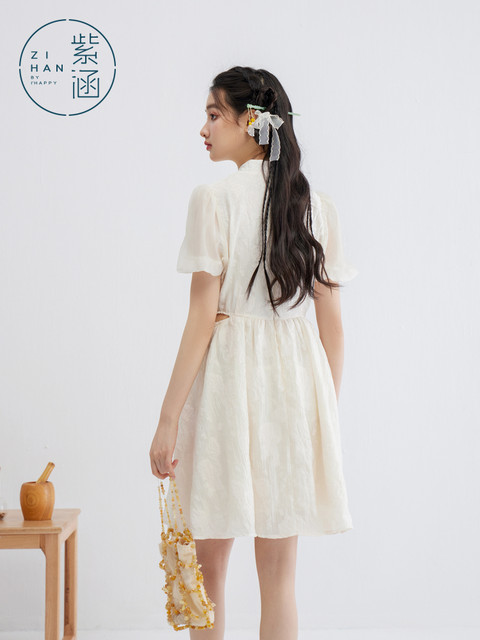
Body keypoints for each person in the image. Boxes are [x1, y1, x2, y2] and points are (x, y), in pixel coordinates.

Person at [149, 66, 359, 640]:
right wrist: (325, 412)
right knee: (279, 575)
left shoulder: (214, 200)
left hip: (227, 386)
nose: (204, 129)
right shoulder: (317, 207)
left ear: (251, 122)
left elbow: (201, 320)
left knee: (208, 564)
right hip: (296, 391)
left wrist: (167, 420)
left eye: (214, 114)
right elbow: (333, 329)